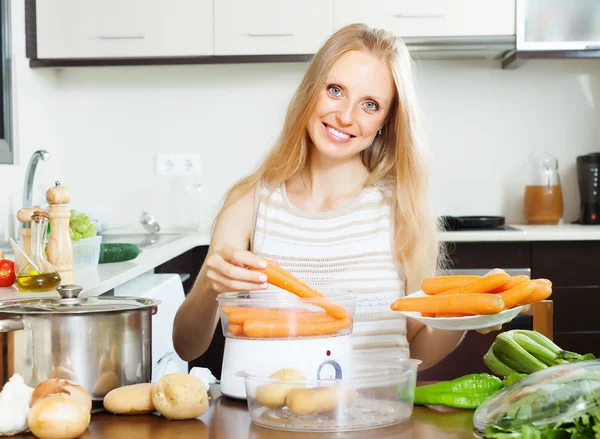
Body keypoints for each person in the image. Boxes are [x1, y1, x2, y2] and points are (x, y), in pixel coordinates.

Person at [173, 23, 497, 371]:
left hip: (373, 416)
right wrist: (209, 284)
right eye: (335, 90)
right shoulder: (249, 202)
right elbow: (187, 346)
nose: (345, 116)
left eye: (370, 105)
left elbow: (416, 348)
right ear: (311, 90)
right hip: (270, 417)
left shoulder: (402, 210)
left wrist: (464, 315)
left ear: (386, 121)